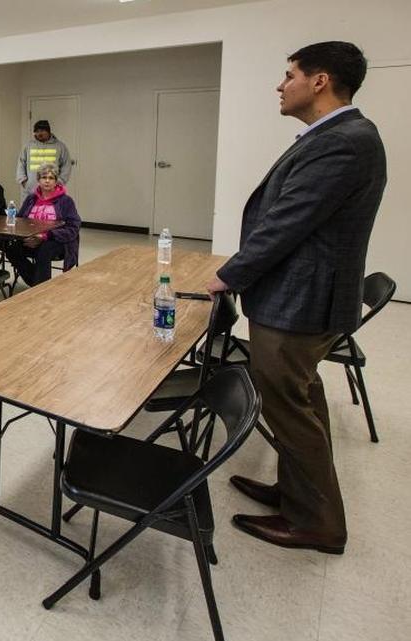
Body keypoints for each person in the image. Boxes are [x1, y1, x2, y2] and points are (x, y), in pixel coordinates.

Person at [205, 41, 386, 555]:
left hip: (301, 299)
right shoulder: (340, 134)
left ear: (320, 80)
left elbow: (287, 222)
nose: (281, 85)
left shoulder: (344, 141)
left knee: (288, 403)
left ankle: (317, 523)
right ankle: (295, 492)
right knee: (300, 398)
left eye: (289, 76)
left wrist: (230, 275)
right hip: (303, 293)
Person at [3, 163, 80, 288]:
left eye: (51, 178)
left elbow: (73, 228)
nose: (47, 181)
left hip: (56, 241)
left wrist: (44, 236)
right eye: (44, 177)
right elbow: (21, 220)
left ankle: (40, 287)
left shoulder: (65, 201)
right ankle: (38, 284)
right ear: (38, 180)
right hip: (31, 239)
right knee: (11, 248)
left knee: (44, 249)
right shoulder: (31, 199)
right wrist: (26, 236)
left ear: (56, 181)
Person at [17, 120, 72, 195]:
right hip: (31, 191)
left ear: (48, 131)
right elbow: (21, 163)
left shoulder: (60, 146)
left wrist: (59, 182)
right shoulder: (28, 146)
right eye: (37, 131)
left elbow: (66, 166)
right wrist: (24, 181)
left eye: (42, 131)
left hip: (53, 191)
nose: (39, 133)